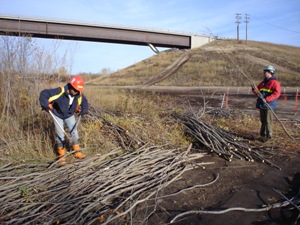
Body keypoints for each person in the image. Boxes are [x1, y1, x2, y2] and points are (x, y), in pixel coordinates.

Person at [39, 75, 89, 163]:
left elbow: (84, 102)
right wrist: (45, 105)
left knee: (74, 132)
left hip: (69, 114)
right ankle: (61, 155)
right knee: (60, 135)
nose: (76, 92)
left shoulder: (78, 94)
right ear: (71, 86)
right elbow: (44, 93)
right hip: (57, 114)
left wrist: (84, 110)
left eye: (78, 90)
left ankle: (77, 152)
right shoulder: (60, 91)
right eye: (75, 90)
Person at [252, 65, 281, 141]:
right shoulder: (262, 83)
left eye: (266, 72)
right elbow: (258, 92)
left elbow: (277, 93)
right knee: (263, 121)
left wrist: (267, 99)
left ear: (271, 72)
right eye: (264, 71)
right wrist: (254, 88)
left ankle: (269, 137)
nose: (264, 73)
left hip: (269, 105)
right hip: (262, 105)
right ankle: (262, 136)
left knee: (268, 121)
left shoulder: (275, 83)